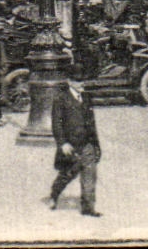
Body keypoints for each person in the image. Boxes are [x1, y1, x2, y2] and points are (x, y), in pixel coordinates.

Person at [50, 78, 101, 217]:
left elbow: (91, 122)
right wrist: (62, 143)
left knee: (90, 175)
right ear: (70, 82)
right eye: (79, 81)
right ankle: (54, 194)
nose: (82, 84)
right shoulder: (61, 98)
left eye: (83, 81)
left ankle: (88, 207)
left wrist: (96, 144)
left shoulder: (86, 97)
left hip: (87, 143)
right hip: (71, 145)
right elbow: (57, 124)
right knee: (67, 174)